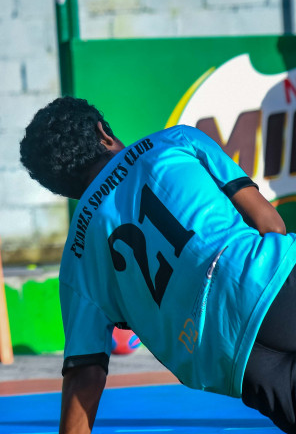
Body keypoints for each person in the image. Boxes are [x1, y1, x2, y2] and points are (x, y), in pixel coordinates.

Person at [19, 97, 296, 434]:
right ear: (103, 133)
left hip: (232, 362)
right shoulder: (176, 140)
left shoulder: (77, 259)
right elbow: (271, 224)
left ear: (61, 189)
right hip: (272, 280)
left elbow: (85, 372)